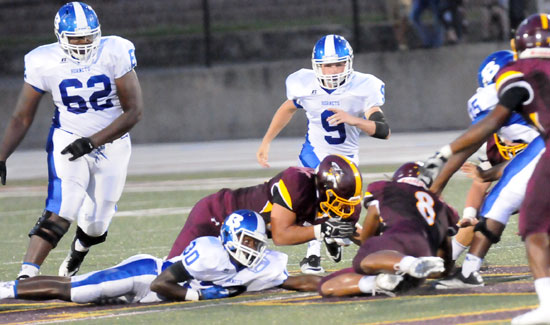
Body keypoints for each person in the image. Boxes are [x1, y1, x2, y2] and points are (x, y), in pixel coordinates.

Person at [422, 14, 550, 325]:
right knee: (498, 205)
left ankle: (471, 272)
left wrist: (442, 159)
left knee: (526, 221)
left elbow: (489, 125)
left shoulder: (512, 78)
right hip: (539, 152)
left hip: (543, 150)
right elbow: (495, 169)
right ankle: (467, 270)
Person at [0, 2, 143, 280]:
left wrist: (92, 141)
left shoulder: (115, 51)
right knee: (63, 207)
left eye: (89, 37)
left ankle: (78, 252)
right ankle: (27, 275)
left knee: (96, 223)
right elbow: (21, 117)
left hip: (112, 142)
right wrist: (2, 155)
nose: (84, 43)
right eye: (77, 38)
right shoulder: (43, 60)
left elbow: (134, 111)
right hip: (68, 138)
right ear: (60, 36)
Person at [256, 34, 390, 274]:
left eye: (339, 64)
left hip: (346, 161)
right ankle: (313, 255)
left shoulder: (363, 87)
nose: (333, 70)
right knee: (313, 201)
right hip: (314, 153)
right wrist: (266, 141)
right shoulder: (303, 83)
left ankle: (353, 240)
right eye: (327, 65)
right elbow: (287, 108)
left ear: (349, 63)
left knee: (344, 222)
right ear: (316, 66)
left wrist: (354, 120)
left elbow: (383, 131)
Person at [0, 210, 321, 304]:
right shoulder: (210, 252)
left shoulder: (263, 266)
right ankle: (6, 289)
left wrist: (326, 283)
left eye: (257, 241)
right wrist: (196, 295)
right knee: (71, 290)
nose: (254, 248)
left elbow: (294, 280)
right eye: (248, 240)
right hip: (145, 275)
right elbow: (162, 283)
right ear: (230, 238)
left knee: (75, 288)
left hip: (153, 292)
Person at [431, 50, 544, 289]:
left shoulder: (519, 110)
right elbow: (483, 181)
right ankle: (450, 262)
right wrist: (470, 213)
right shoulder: (495, 141)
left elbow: (521, 163)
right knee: (486, 212)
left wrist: (444, 163)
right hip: (536, 173)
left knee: (516, 214)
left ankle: (467, 271)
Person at [167, 154, 363, 270]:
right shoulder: (297, 183)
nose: (345, 209)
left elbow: (358, 232)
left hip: (244, 242)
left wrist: (389, 250)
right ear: (324, 189)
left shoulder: (341, 203)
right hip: (216, 215)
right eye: (340, 202)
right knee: (172, 271)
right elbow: (281, 235)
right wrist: (322, 231)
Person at [318, 162, 459, 298]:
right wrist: (442, 268)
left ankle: (408, 264)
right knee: (327, 286)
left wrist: (354, 232)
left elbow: (367, 240)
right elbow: (444, 262)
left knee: (363, 260)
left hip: (398, 244)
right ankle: (382, 281)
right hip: (423, 254)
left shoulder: (386, 188)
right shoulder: (441, 206)